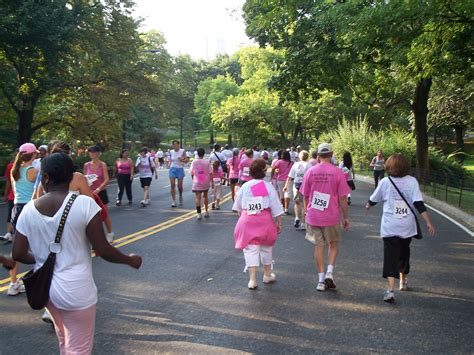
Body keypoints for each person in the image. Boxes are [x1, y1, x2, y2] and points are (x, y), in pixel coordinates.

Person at [12, 152, 142, 355]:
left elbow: (18, 253)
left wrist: (41, 260)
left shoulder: (28, 210)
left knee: (64, 339)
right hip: (76, 290)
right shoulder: (84, 204)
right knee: (79, 348)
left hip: (45, 287)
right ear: (71, 176)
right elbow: (102, 249)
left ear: (45, 178)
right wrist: (129, 260)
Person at [366, 153, 435, 303]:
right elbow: (418, 204)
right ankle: (403, 280)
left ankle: (390, 291)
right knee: (404, 252)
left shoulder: (385, 182)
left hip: (390, 226)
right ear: (405, 167)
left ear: (389, 166)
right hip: (406, 226)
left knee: (390, 257)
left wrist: (369, 205)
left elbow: (374, 198)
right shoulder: (412, 182)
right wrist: (428, 222)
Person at [300, 143, 351, 292]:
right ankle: (330, 272)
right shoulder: (338, 172)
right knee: (333, 244)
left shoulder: (310, 171)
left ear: (317, 156)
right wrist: (346, 217)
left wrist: (305, 211)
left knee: (319, 246)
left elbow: (306, 196)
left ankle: (321, 280)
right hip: (331, 216)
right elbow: (343, 198)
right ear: (331, 154)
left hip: (314, 215)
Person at [233, 159, 283, 289]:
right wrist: (279, 222)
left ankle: (252, 280)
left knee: (250, 249)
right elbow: (276, 206)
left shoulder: (245, 186)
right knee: (266, 247)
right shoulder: (268, 186)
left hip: (247, 219)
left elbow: (238, 206)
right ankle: (267, 275)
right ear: (264, 172)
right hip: (265, 220)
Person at [8, 143, 38, 296]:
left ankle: (13, 284)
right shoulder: (32, 170)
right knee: (38, 246)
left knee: (17, 250)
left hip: (16, 208)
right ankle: (39, 280)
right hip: (29, 208)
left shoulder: (15, 169)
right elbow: (41, 188)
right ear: (33, 155)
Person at [283, 150, 309, 230]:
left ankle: (297, 218)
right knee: (305, 205)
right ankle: (303, 223)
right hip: (305, 186)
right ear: (307, 157)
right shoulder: (309, 165)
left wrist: (286, 186)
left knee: (297, 203)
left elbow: (290, 176)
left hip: (296, 185)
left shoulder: (296, 164)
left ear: (300, 157)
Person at [190, 148, 212, 220]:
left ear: (197, 154)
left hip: (197, 181)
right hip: (205, 181)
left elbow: (191, 172)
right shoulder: (207, 162)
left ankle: (199, 213)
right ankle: (206, 211)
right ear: (204, 154)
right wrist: (211, 181)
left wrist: (193, 178)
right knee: (205, 196)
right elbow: (210, 173)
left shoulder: (194, 162)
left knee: (198, 198)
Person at [272, 150, 293, 215]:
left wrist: (273, 175)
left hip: (280, 179)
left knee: (281, 195)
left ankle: (283, 208)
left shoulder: (279, 162)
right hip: (289, 180)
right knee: (287, 194)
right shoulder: (291, 163)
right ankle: (286, 209)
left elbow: (273, 169)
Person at [168, 140, 188, 207]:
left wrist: (181, 160)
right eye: (174, 145)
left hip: (180, 169)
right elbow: (170, 159)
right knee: (172, 184)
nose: (175, 146)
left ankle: (180, 195)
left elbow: (186, 161)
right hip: (172, 169)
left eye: (177, 145)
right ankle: (173, 201)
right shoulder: (171, 151)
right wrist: (168, 163)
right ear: (173, 145)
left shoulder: (182, 151)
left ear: (179, 145)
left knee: (179, 186)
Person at [1, 153, 15, 242]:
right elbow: (8, 182)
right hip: (15, 195)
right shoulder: (11, 166)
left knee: (12, 214)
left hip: (13, 195)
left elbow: (8, 182)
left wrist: (6, 195)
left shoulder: (11, 166)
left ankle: (9, 234)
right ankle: (10, 234)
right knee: (13, 214)